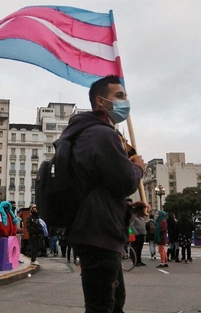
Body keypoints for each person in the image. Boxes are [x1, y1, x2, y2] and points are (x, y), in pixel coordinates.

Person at [58, 75, 145, 312]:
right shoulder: (102, 134)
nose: (125, 101)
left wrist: (128, 210)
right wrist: (138, 166)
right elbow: (125, 181)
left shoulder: (87, 133)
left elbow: (99, 186)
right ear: (100, 101)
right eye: (119, 95)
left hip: (94, 230)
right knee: (103, 305)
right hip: (99, 233)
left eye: (125, 95)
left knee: (112, 303)